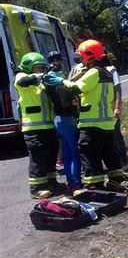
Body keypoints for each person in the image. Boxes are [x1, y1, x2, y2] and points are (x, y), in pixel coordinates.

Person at [62, 39, 124, 190]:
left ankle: (94, 185)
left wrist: (63, 82)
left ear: (89, 56)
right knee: (110, 154)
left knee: (89, 154)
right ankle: (116, 183)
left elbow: (75, 89)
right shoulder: (107, 73)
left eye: (82, 56)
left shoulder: (93, 72)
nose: (80, 60)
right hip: (107, 123)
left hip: (91, 123)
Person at [14, 52, 64, 198]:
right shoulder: (21, 77)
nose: (40, 70)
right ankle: (36, 188)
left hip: (48, 126)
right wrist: (41, 76)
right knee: (38, 158)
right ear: (29, 66)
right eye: (38, 67)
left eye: (42, 67)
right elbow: (24, 81)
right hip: (33, 128)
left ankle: (51, 182)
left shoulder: (39, 82)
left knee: (51, 155)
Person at [43, 51, 82, 191]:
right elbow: (68, 101)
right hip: (67, 118)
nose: (61, 63)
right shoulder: (57, 79)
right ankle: (76, 182)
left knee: (67, 154)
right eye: (60, 61)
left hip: (58, 119)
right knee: (74, 153)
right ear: (56, 61)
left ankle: (71, 182)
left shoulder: (50, 79)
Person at [104, 58, 128, 169]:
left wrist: (117, 107)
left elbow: (118, 89)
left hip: (111, 110)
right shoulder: (91, 71)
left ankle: (124, 163)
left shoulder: (111, 71)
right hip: (100, 112)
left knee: (116, 136)